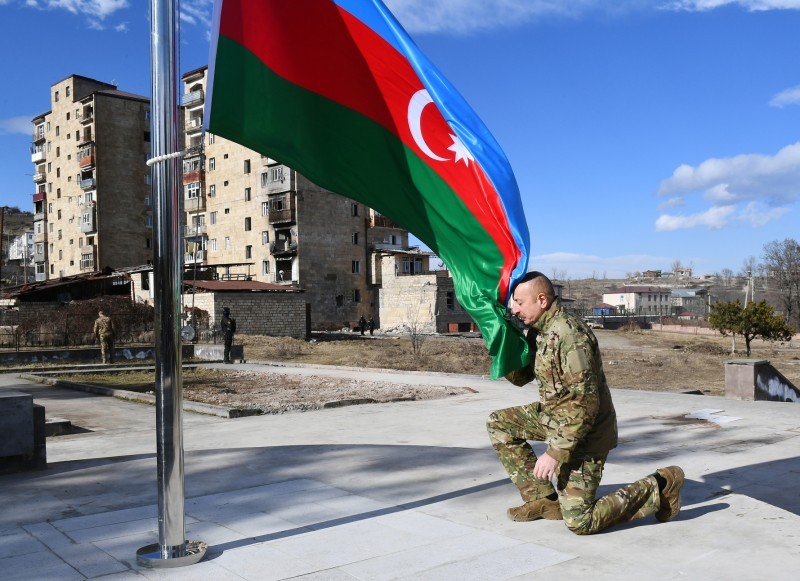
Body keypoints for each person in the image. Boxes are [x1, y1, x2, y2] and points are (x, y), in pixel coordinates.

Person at [487, 271, 684, 535]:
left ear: (542, 300)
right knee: (500, 423)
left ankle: (660, 485)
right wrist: (501, 344)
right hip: (555, 420)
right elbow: (522, 377)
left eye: (520, 302)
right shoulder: (540, 331)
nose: (514, 308)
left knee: (581, 521)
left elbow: (585, 403)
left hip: (586, 434)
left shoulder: (570, 335)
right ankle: (542, 500)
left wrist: (554, 453)